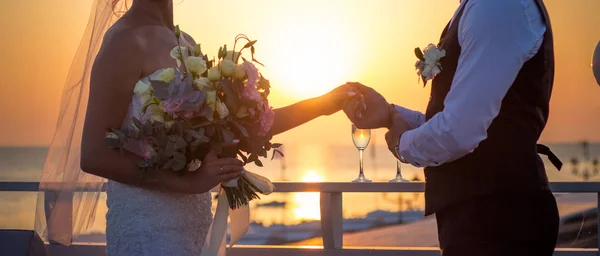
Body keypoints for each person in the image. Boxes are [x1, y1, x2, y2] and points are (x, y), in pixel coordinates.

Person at [37, 0, 356, 255]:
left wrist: (325, 104)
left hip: (195, 222)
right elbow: (93, 155)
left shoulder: (185, 43)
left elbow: (243, 130)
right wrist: (184, 182)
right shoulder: (124, 40)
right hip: (147, 226)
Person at [344, 0, 562, 255]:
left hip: (498, 220)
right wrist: (389, 114)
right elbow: (467, 121)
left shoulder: (498, 7)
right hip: (486, 217)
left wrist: (402, 143)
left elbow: (459, 132)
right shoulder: (482, 7)